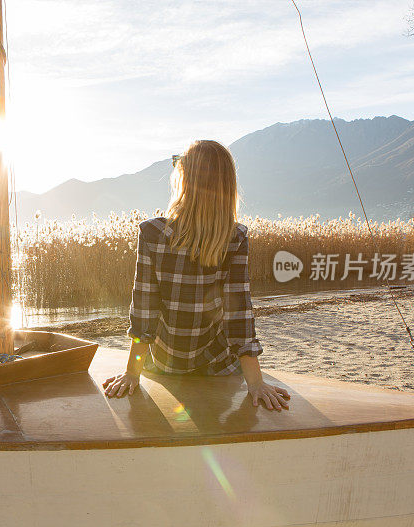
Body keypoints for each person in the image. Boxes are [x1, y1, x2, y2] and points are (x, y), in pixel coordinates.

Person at [102, 140, 290, 411]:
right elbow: (239, 314)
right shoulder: (235, 236)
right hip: (218, 365)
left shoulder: (152, 233)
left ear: (184, 178)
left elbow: (145, 308)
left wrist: (133, 373)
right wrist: (256, 383)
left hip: (164, 364)